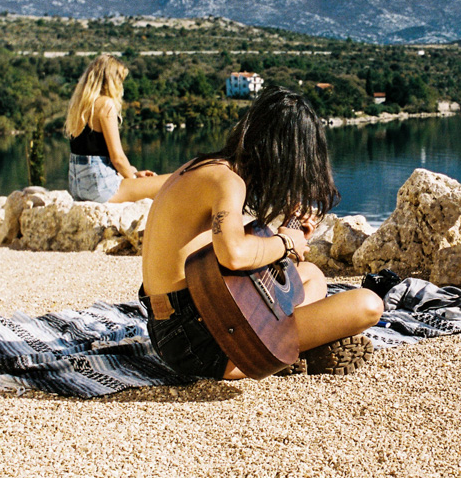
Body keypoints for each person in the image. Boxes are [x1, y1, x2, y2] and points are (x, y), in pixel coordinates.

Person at [139, 86, 383, 378]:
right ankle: (288, 352)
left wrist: (287, 233)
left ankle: (292, 350)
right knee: (368, 304)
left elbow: (216, 250)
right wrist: (284, 241)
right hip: (201, 344)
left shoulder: (202, 167)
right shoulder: (228, 181)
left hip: (168, 328)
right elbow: (233, 254)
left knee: (311, 275)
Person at [64, 54, 169, 203]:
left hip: (78, 188)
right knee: (174, 181)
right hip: (101, 189)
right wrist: (133, 180)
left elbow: (97, 157)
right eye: (120, 79)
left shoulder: (79, 106)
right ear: (112, 80)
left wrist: (134, 172)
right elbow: (117, 158)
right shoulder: (106, 105)